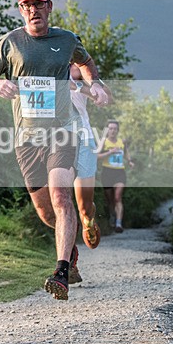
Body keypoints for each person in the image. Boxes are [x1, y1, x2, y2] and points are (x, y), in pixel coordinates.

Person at [0, 0, 109, 300]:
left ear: (49, 7)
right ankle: (71, 251)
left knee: (62, 197)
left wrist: (97, 84)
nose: (33, 10)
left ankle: (61, 270)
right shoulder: (10, 43)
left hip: (61, 132)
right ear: (21, 10)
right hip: (27, 138)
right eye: (26, 6)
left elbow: (86, 63)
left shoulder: (66, 40)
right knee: (45, 211)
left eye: (38, 4)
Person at [69, 64, 108, 252]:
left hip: (83, 139)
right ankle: (67, 256)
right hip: (51, 139)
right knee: (56, 199)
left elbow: (108, 96)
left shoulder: (82, 72)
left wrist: (79, 86)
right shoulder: (47, 66)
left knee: (84, 206)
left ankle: (88, 221)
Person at [97, 120, 134, 233]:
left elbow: (126, 152)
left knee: (117, 197)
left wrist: (129, 161)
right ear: (107, 130)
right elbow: (97, 156)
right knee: (110, 199)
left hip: (119, 172)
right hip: (107, 172)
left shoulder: (122, 142)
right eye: (110, 129)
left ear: (118, 131)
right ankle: (112, 215)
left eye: (115, 129)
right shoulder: (104, 142)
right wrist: (110, 152)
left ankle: (119, 223)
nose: (112, 131)